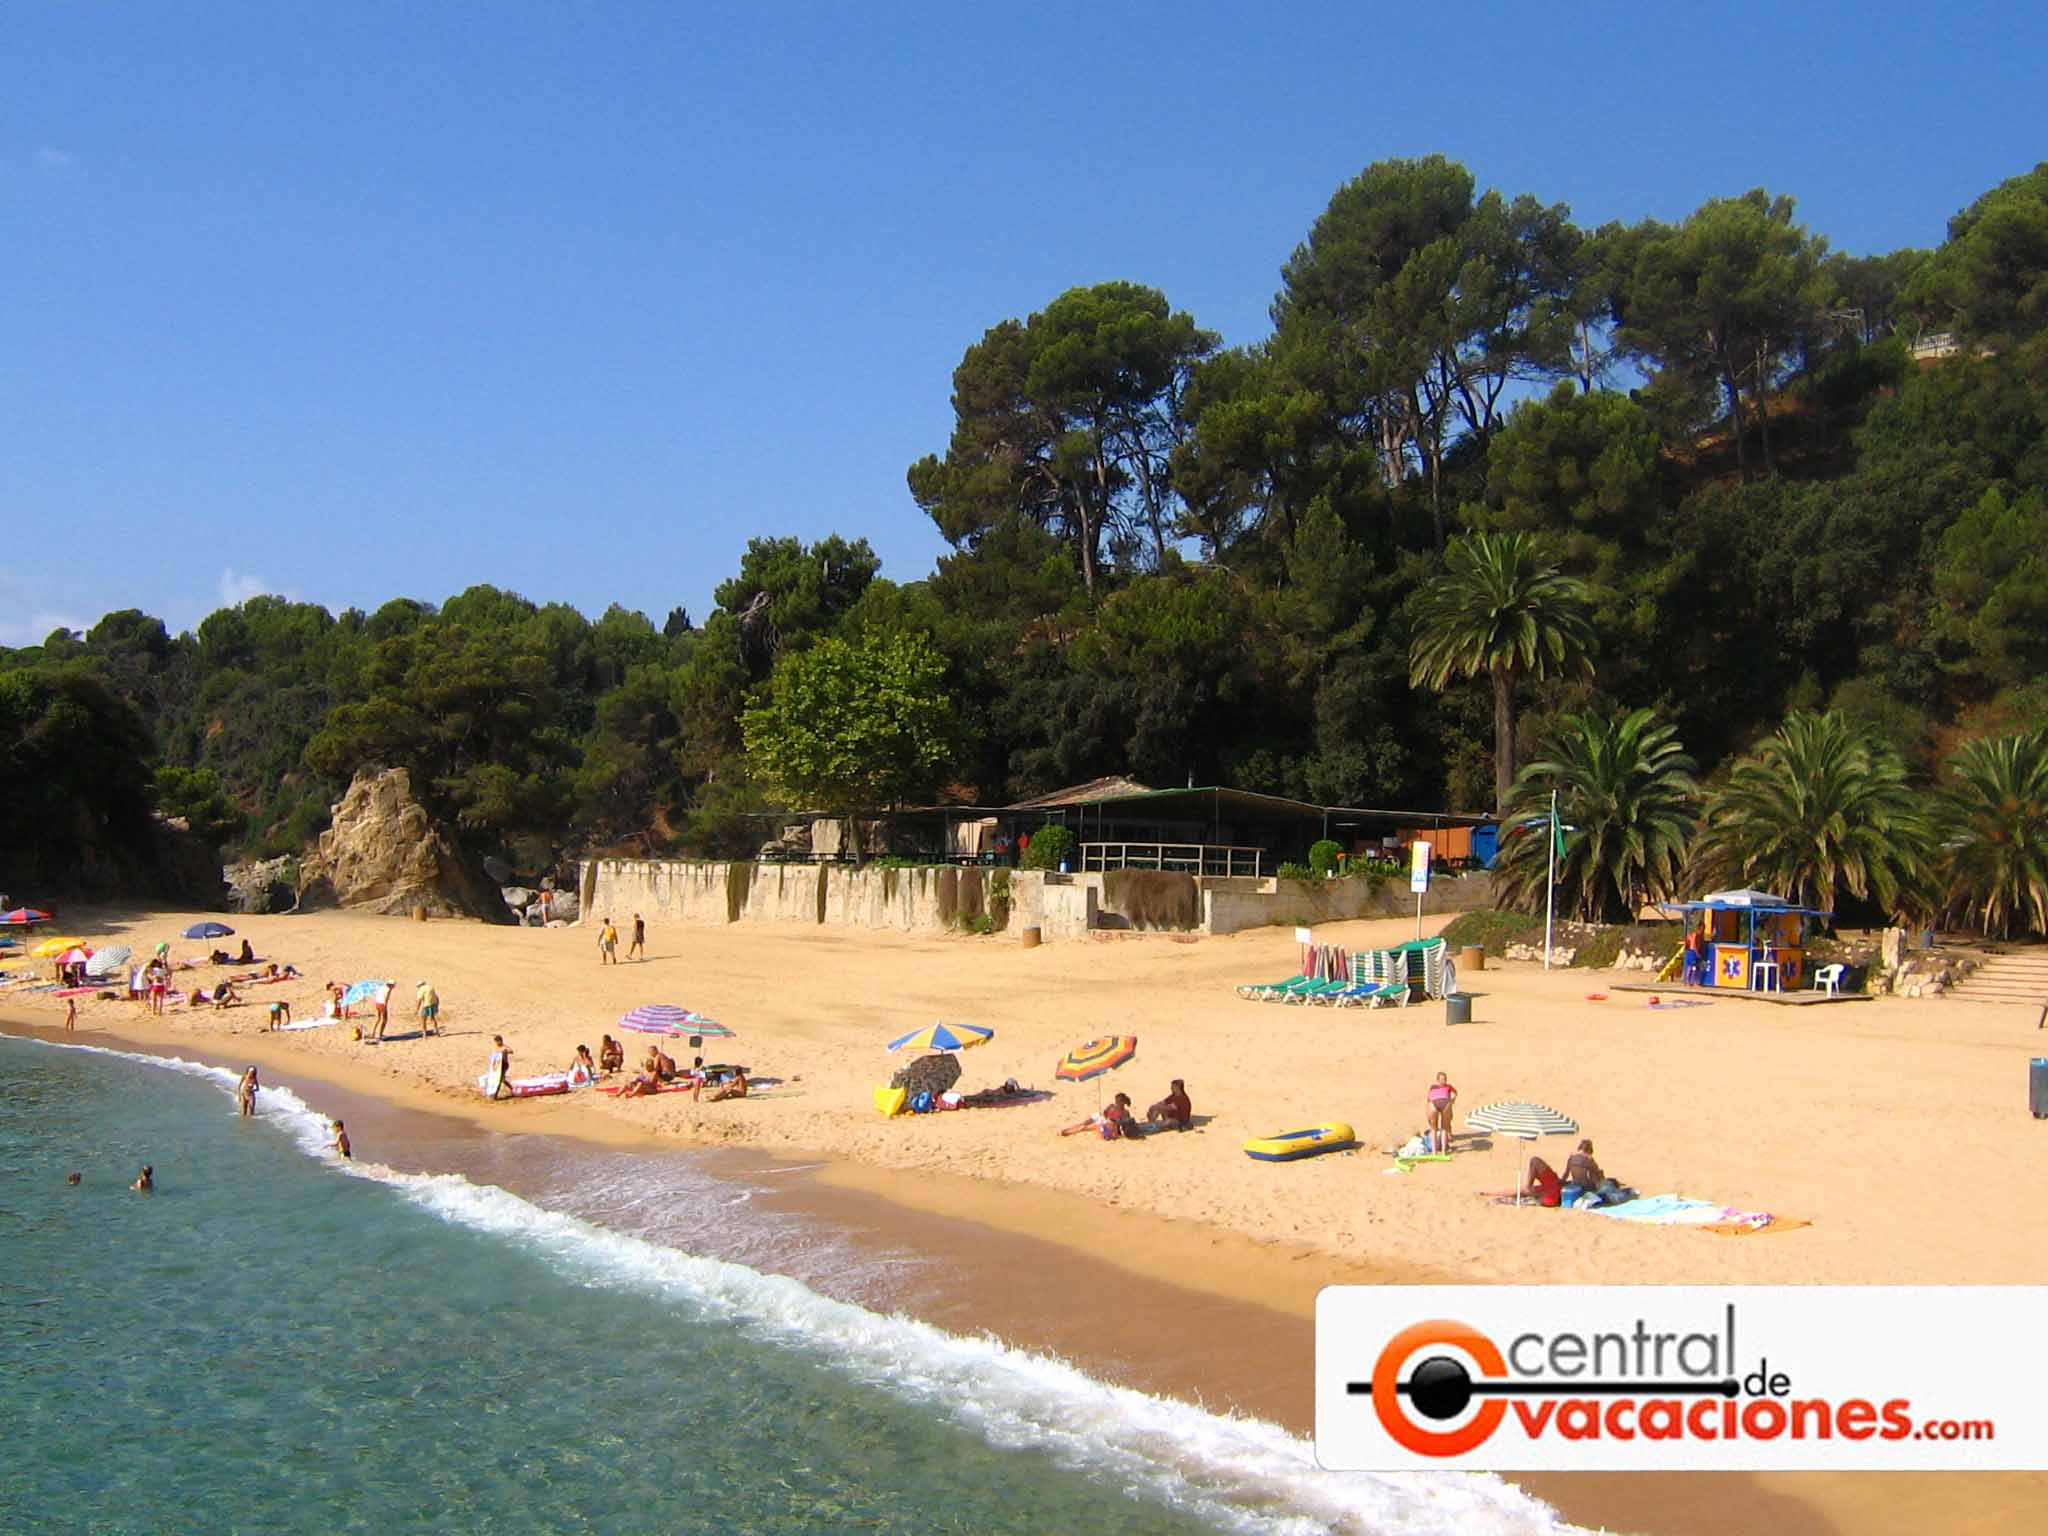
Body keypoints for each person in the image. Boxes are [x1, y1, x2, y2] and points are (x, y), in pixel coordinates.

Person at [1425, 1072, 1457, 1153]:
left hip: (1438, 1103)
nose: (1443, 1081)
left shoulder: (1436, 1087)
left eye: (1444, 1079)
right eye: (1442, 1079)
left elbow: (1428, 1100)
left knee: (1434, 1129)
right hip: (1444, 1103)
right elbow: (1428, 1100)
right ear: (1437, 1080)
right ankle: (1442, 1151)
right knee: (1443, 1128)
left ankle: (1436, 1152)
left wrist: (1453, 1099)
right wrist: (1451, 1101)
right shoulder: (1435, 1087)